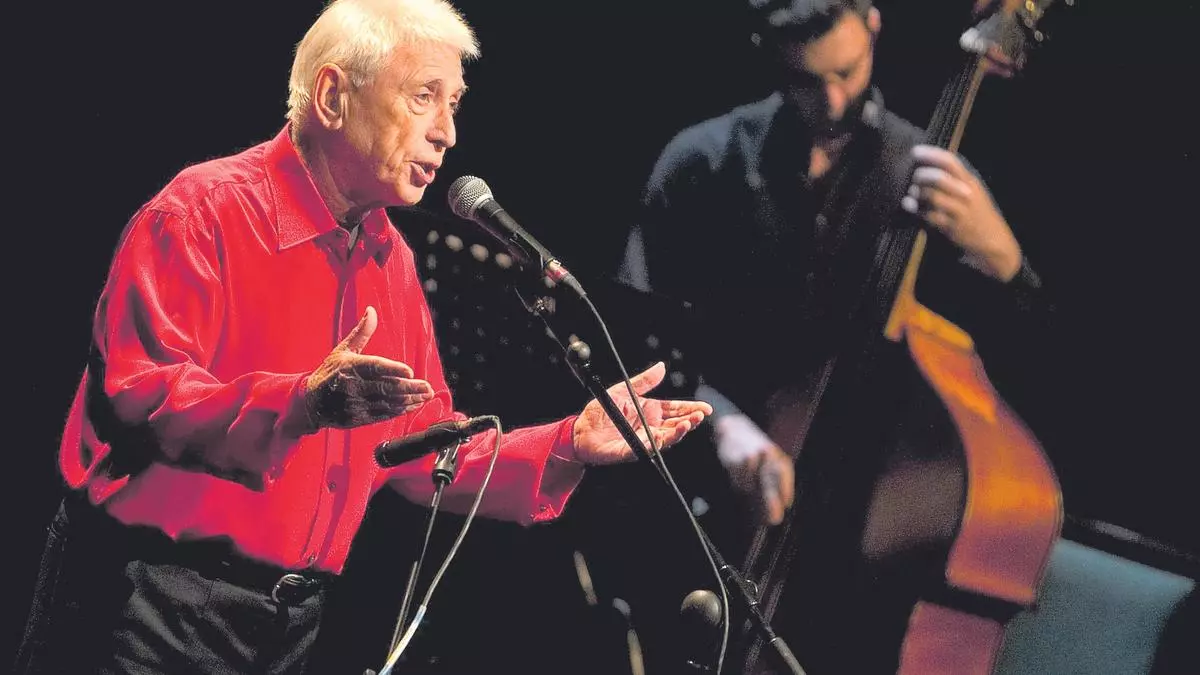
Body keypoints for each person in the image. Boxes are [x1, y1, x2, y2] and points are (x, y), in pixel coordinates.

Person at [12, 1, 713, 673]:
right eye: (424, 96)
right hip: (145, 604)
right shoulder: (200, 213)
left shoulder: (389, 259)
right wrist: (302, 404)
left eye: (454, 104)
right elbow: (142, 398)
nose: (447, 132)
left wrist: (568, 442)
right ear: (332, 97)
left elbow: (423, 448)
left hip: (285, 625)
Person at [615, 0, 1052, 673]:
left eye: (847, 72)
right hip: (710, 521)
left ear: (874, 24)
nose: (832, 101)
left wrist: (1004, 259)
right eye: (805, 80)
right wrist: (720, 422)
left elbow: (1029, 370)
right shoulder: (703, 162)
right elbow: (637, 340)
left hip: (872, 544)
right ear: (768, 52)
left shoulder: (927, 176)